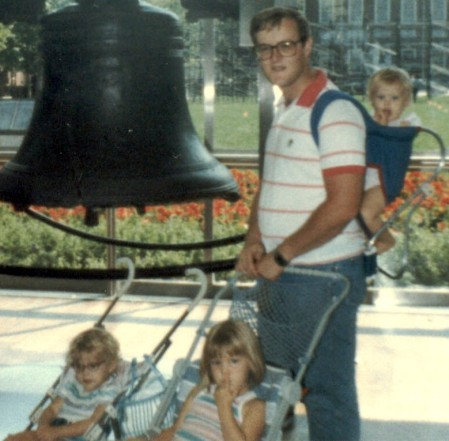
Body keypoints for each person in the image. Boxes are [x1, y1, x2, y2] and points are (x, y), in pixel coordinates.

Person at [236, 7, 367, 441]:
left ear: (307, 47)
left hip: (322, 276)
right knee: (275, 387)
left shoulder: (335, 112)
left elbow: (343, 205)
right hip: (281, 274)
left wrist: (282, 253)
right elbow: (271, 185)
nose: (275, 57)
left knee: (325, 392)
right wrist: (254, 240)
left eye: (286, 45)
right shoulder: (285, 108)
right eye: (265, 49)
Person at [138, 320, 266, 441]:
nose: (224, 371)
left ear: (251, 362)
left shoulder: (253, 407)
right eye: (216, 363)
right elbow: (175, 430)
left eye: (233, 361)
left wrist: (224, 407)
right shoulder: (199, 392)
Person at [5, 327, 122, 441]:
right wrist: (44, 427)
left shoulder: (109, 391)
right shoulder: (73, 385)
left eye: (93, 366)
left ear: (111, 365)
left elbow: (92, 422)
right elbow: (52, 410)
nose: (85, 373)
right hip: (54, 432)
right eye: (79, 367)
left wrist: (56, 432)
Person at [362, 67, 422, 253]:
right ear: (372, 99)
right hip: (364, 179)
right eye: (381, 97)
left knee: (366, 213)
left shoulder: (403, 126)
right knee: (352, 218)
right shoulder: (368, 123)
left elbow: (395, 141)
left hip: (384, 180)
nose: (387, 103)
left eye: (394, 98)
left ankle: (387, 240)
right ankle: (368, 251)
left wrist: (382, 128)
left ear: (405, 102)